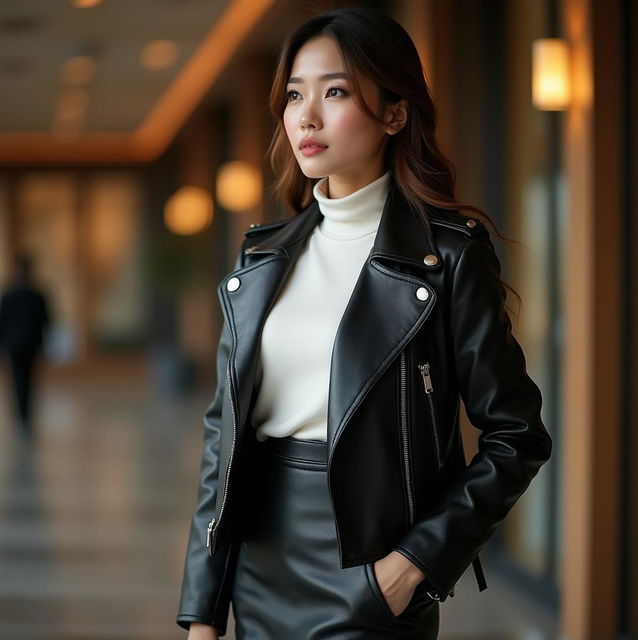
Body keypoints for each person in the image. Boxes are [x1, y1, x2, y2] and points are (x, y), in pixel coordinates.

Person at [176, 7, 553, 639]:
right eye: (295, 95)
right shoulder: (263, 258)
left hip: (372, 573)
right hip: (259, 566)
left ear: (395, 113)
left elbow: (517, 436)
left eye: (336, 91)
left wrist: (413, 565)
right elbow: (224, 441)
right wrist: (201, 609)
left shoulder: (448, 258)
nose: (307, 115)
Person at [0, 254, 50, 438]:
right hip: (25, 345)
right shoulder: (35, 296)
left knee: (22, 381)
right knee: (24, 381)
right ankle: (23, 416)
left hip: (19, 345)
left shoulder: (13, 295)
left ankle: (23, 416)